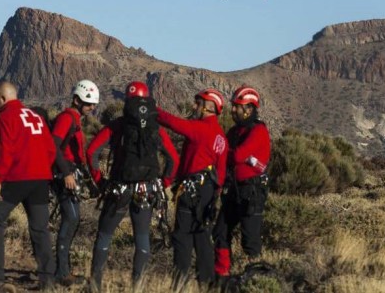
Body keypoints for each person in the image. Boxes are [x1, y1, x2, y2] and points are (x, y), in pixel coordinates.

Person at [86, 81, 179, 292]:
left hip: (119, 188)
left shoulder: (117, 126)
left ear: (127, 102)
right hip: (146, 191)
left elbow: (92, 151)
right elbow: (173, 159)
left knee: (104, 235)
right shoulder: (156, 128)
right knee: (142, 240)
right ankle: (138, 287)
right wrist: (162, 184)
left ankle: (95, 286)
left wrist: (100, 181)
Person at [0, 81, 56, 290]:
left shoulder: (6, 117)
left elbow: (3, 151)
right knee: (40, 229)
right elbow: (51, 149)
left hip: (17, 177)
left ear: (2, 98)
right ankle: (48, 280)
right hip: (40, 179)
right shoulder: (36, 116)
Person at [156, 88, 228, 290]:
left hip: (192, 190)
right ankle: (206, 283)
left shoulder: (200, 128)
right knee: (202, 234)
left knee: (182, 235)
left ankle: (179, 283)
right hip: (208, 191)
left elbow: (173, 123)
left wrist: (152, 109)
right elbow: (221, 172)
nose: (194, 107)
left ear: (208, 107)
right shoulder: (221, 137)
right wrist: (215, 195)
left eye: (198, 103)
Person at [213, 86, 271, 283]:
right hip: (234, 190)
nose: (233, 110)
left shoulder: (259, 130)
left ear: (248, 108)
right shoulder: (234, 130)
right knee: (220, 231)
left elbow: (236, 155)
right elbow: (228, 155)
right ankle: (222, 277)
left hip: (252, 192)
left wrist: (229, 155)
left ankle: (257, 281)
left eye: (237, 106)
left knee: (250, 239)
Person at [52, 79, 99, 286]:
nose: (92, 108)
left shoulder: (75, 119)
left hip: (70, 174)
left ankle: (63, 270)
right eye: (88, 104)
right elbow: (53, 146)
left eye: (93, 105)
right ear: (76, 100)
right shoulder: (66, 118)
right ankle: (61, 272)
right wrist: (66, 174)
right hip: (64, 176)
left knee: (73, 220)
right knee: (70, 219)